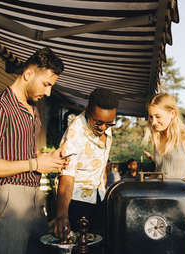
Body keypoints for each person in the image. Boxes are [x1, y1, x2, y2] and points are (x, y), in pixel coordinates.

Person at [0, 47, 68, 254]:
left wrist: (46, 159)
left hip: (34, 200)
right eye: (46, 84)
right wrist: (35, 164)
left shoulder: (32, 110)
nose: (48, 92)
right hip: (9, 201)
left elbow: (20, 157)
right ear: (28, 74)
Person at [54, 88, 119, 241]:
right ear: (88, 111)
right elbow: (67, 176)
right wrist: (62, 215)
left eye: (109, 124)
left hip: (99, 197)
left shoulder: (105, 126)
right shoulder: (75, 132)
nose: (103, 128)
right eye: (99, 123)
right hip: (76, 202)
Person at [146, 92, 185, 197]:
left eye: (158, 116)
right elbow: (161, 171)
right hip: (162, 198)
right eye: (150, 117)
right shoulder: (157, 138)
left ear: (172, 114)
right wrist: (143, 183)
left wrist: (177, 188)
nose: (153, 122)